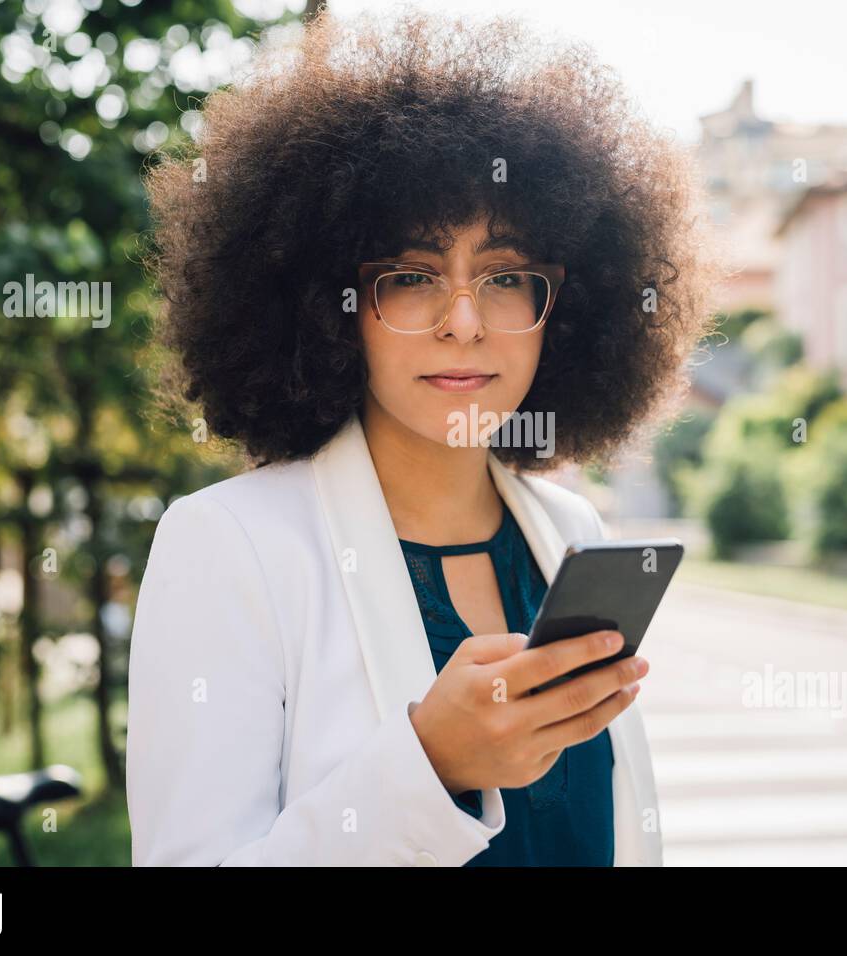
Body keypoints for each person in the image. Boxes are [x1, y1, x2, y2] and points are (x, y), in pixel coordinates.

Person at [126, 5, 720, 866]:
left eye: (506, 275)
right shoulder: (230, 547)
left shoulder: (572, 536)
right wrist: (429, 767)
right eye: (411, 276)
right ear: (328, 307)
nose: (465, 321)